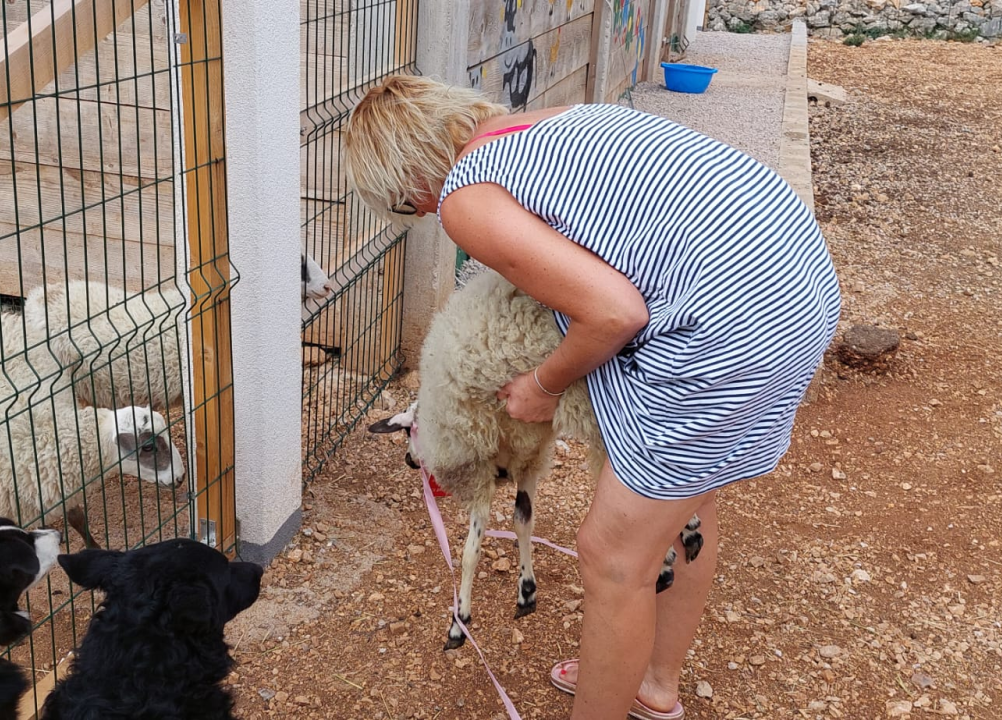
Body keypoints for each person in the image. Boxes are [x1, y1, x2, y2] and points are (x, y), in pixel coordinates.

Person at [343, 74, 840, 720]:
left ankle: (621, 688)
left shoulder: (465, 195)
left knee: (611, 556)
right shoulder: (542, 124)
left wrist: (543, 386)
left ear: (405, 187)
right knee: (686, 501)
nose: (422, 214)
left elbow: (613, 312)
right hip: (797, 277)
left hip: (729, 320)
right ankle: (650, 684)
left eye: (406, 208)